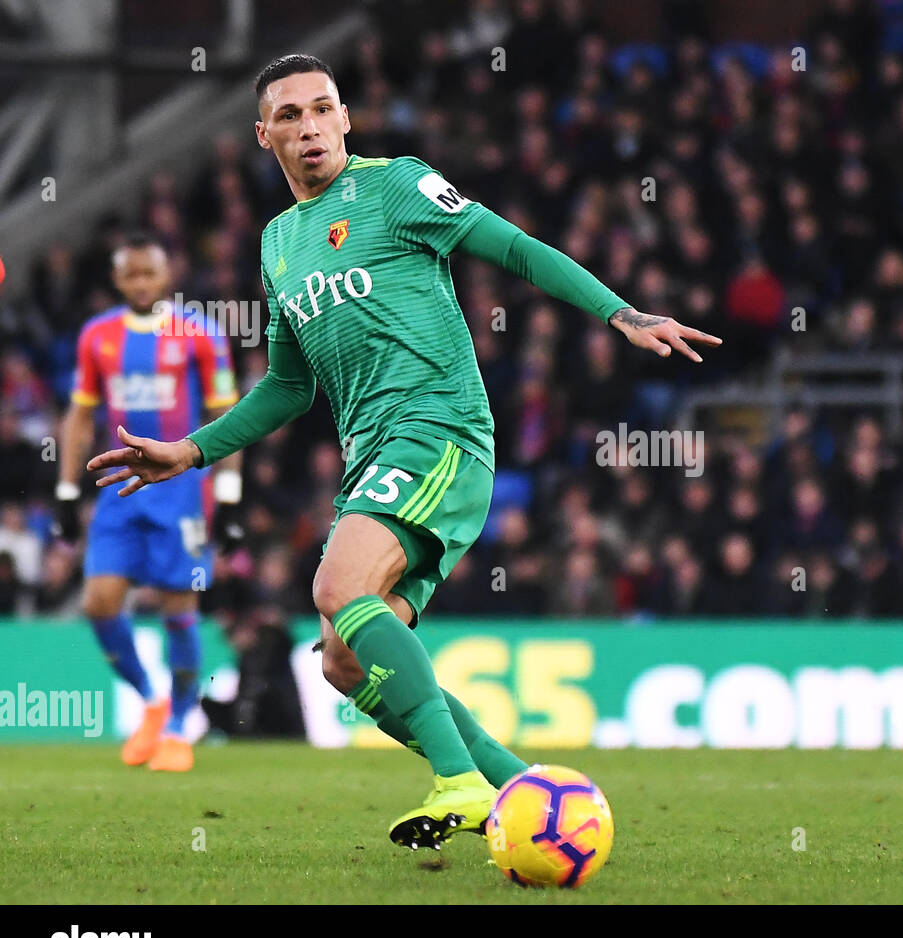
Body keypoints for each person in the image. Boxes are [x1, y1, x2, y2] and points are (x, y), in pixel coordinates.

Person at [88, 54, 720, 849]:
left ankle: (455, 779)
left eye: (323, 108)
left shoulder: (395, 186)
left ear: (345, 118)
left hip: (440, 429)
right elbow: (289, 387)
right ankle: (530, 792)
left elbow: (514, 246)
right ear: (264, 135)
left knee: (334, 584)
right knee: (344, 663)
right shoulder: (280, 242)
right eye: (290, 115)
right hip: (372, 457)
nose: (310, 126)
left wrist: (618, 312)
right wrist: (190, 449)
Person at [58, 231, 242, 772]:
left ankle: (183, 724)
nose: (140, 283)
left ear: (167, 276)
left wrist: (228, 499)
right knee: (98, 604)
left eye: (149, 273)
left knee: (179, 612)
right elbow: (78, 416)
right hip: (117, 493)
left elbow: (228, 417)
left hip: (181, 493)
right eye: (130, 275)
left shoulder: (200, 333)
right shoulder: (98, 336)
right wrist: (67, 489)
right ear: (117, 280)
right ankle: (152, 701)